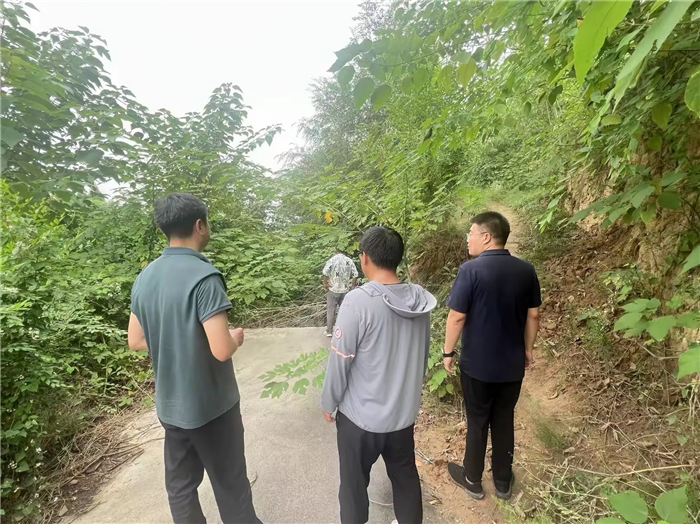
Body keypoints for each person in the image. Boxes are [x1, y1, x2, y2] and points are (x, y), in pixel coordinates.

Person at [128, 193, 261, 524]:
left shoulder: (145, 278)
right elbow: (221, 349)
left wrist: (174, 339)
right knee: (231, 486)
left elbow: (136, 340)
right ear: (200, 226)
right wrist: (235, 337)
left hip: (170, 408)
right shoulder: (205, 277)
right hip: (212, 408)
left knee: (181, 488)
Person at [321, 226, 437, 524]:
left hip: (360, 419)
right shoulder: (420, 301)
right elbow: (422, 356)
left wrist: (328, 402)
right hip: (402, 417)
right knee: (405, 478)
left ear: (365, 258)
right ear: (397, 258)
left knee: (353, 485)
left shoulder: (358, 301)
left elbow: (341, 360)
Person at [442, 211, 541, 501]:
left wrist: (448, 352)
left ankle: (472, 479)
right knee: (504, 418)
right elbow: (533, 315)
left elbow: (457, 317)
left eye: (471, 233)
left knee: (477, 420)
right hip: (511, 365)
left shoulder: (470, 270)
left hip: (477, 365)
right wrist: (528, 349)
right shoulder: (526, 270)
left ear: (486, 237)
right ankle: (502, 481)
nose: (468, 239)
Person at [323, 248, 359, 337]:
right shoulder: (349, 261)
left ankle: (329, 331)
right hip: (345, 290)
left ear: (336, 251)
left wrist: (326, 284)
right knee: (344, 311)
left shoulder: (332, 260)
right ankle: (343, 331)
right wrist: (353, 286)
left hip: (333, 289)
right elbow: (355, 274)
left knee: (331, 311)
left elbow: (325, 272)